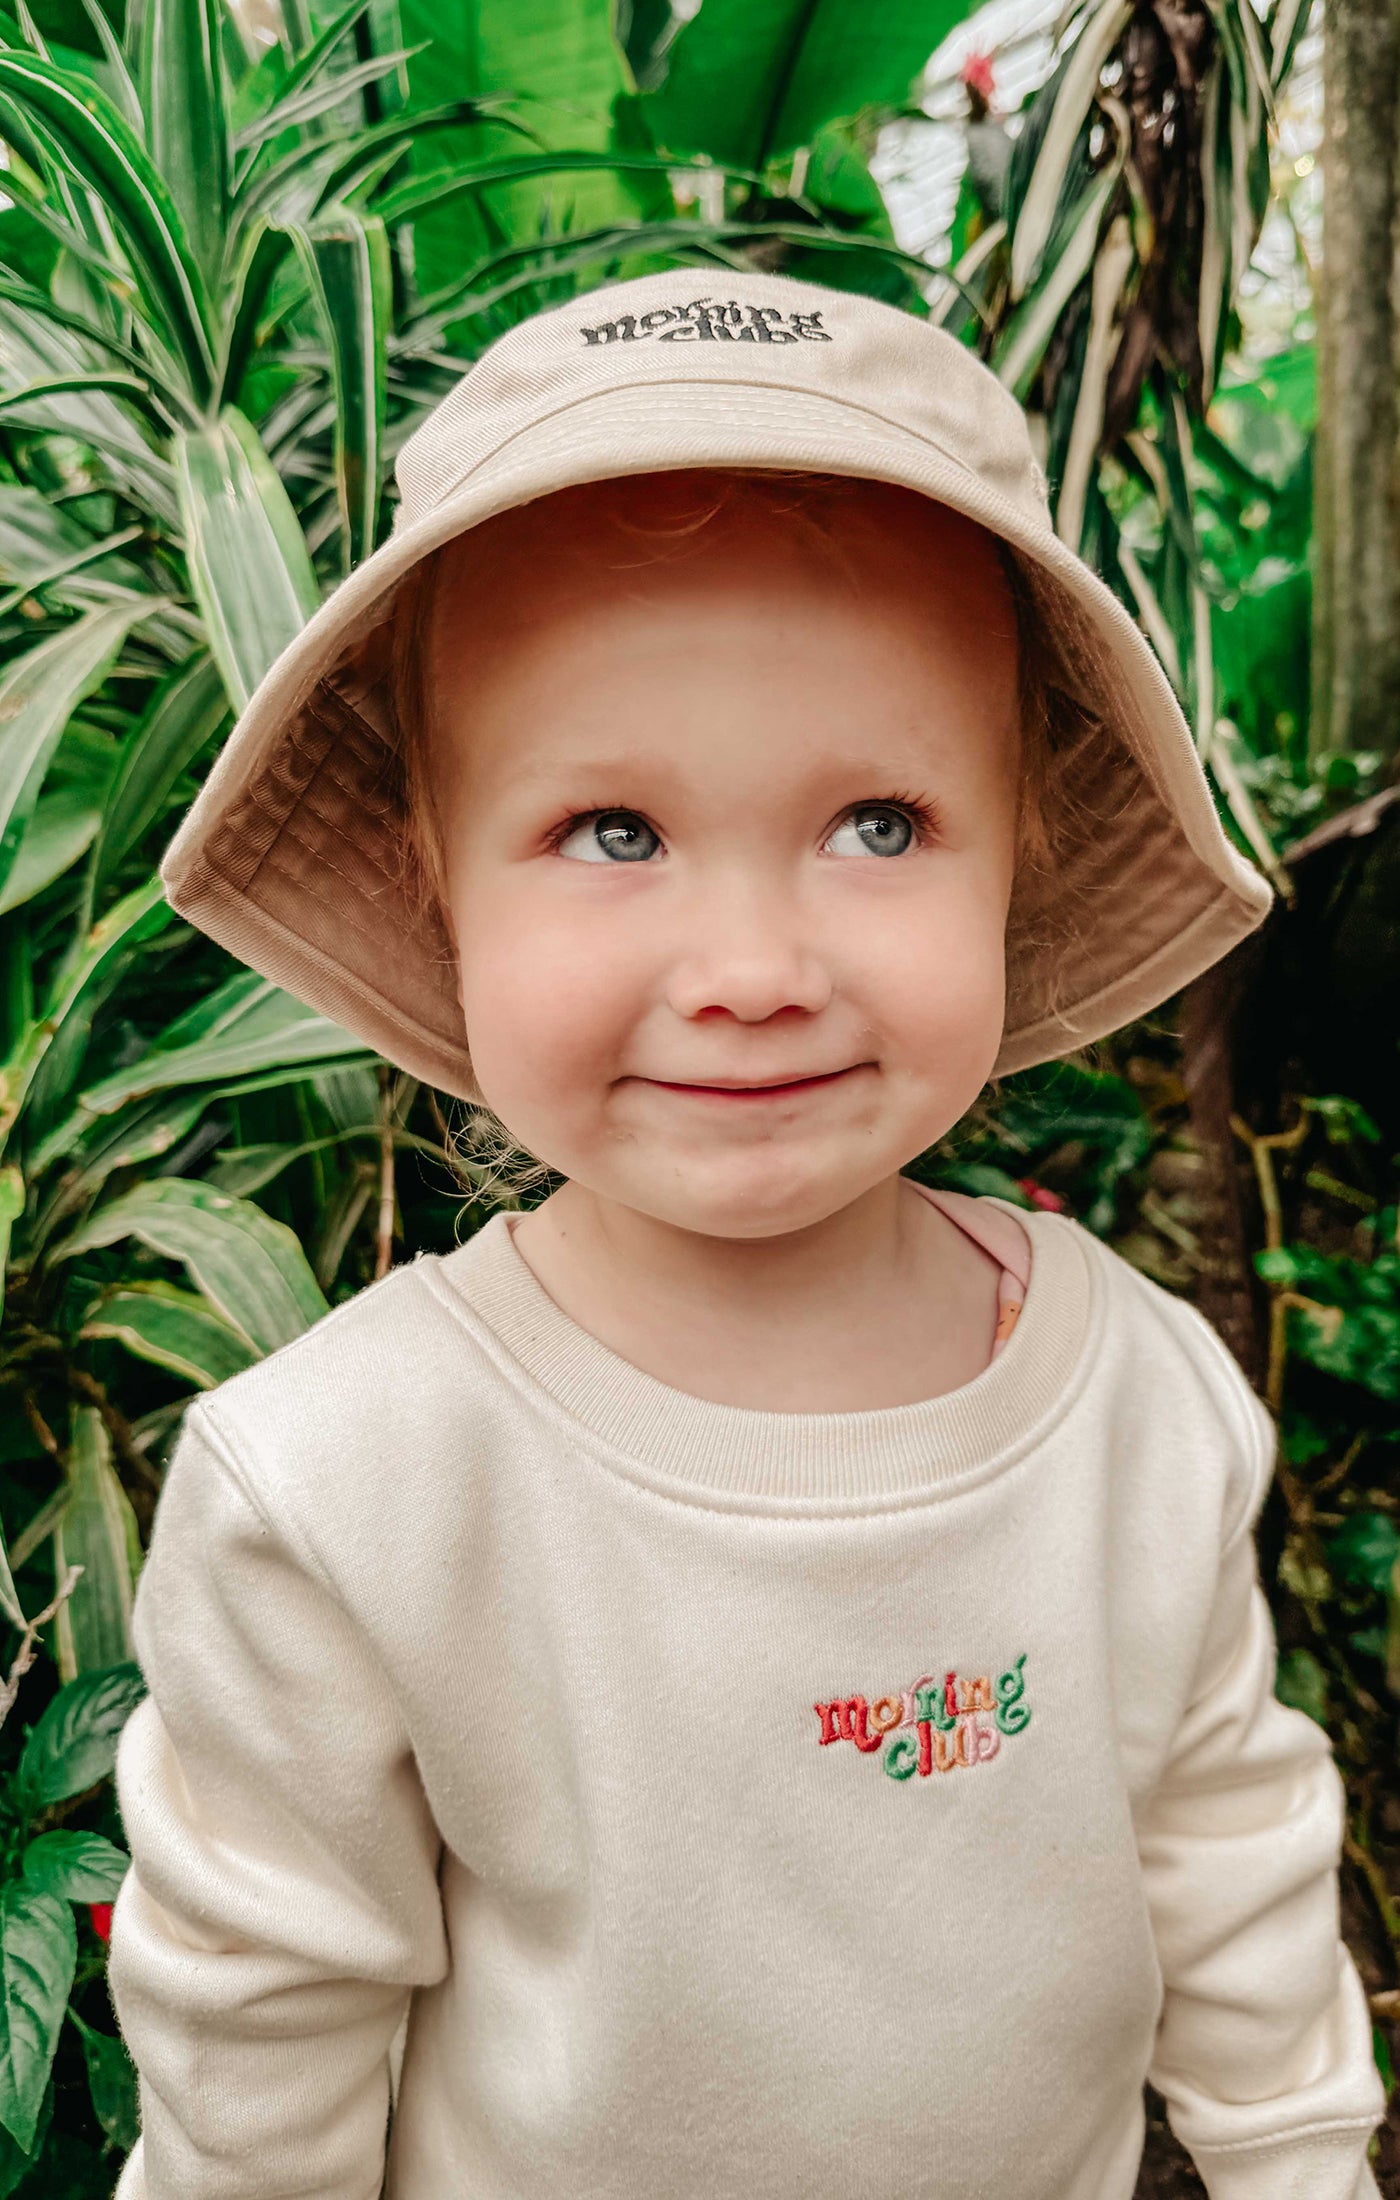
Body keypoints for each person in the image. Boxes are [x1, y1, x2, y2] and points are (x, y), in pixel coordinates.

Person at [105, 270, 1387, 2200]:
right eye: (612, 830)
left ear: (1020, 843)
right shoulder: (347, 1489)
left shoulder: (1136, 1402)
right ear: (428, 875)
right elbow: (260, 2047)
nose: (753, 973)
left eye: (878, 822)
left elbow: (1227, 1851)